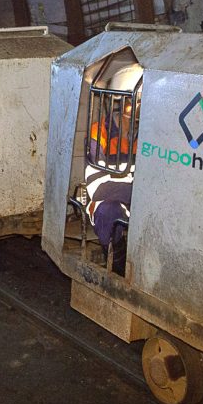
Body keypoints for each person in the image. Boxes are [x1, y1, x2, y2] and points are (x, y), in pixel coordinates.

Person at [84, 67, 142, 272]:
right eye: (137, 101)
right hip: (111, 200)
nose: (140, 108)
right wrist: (135, 191)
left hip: (139, 201)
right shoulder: (100, 132)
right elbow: (96, 185)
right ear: (122, 101)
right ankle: (117, 264)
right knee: (109, 211)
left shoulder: (148, 134)